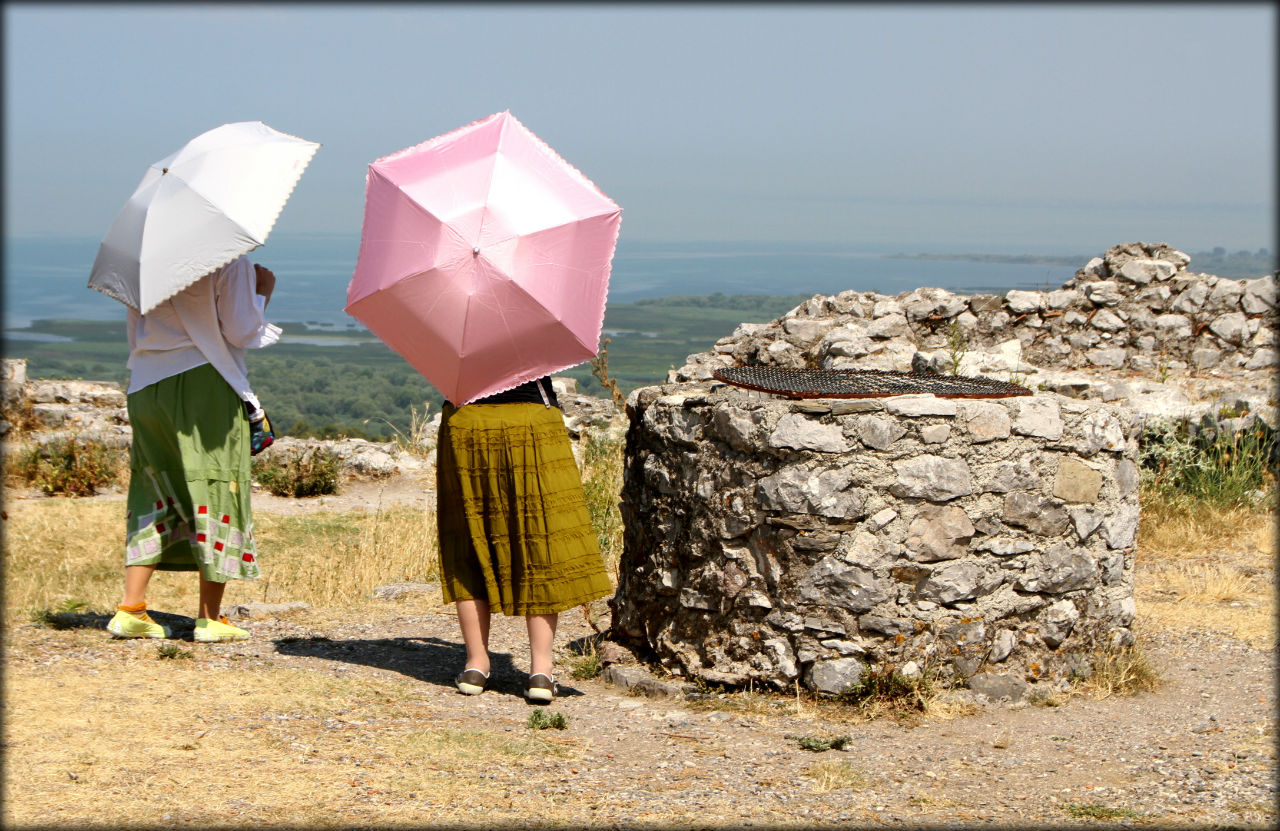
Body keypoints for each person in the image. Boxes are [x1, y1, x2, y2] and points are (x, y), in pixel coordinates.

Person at [105, 255, 280, 643]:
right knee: (217, 484)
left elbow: (136, 334)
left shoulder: (145, 259)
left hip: (145, 385)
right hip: (203, 383)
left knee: (153, 487)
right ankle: (209, 617)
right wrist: (262, 292)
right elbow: (242, 330)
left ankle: (131, 608)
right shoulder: (228, 259)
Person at [436, 376, 613, 702]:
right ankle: (541, 673)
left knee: (469, 541)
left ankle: (476, 665)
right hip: (532, 420)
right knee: (540, 542)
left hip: (466, 421)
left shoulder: (455, 326)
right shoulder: (536, 323)